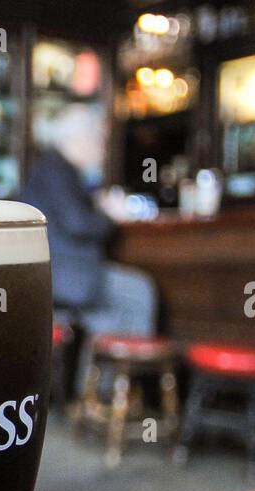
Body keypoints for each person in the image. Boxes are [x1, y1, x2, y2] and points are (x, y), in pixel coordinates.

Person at [20, 104, 157, 394]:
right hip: (65, 279)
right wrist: (111, 214)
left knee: (115, 311)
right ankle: (118, 393)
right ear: (79, 139)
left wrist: (98, 206)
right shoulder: (57, 169)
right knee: (140, 290)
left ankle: (98, 394)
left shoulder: (54, 168)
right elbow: (78, 224)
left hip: (57, 277)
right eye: (100, 139)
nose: (103, 148)